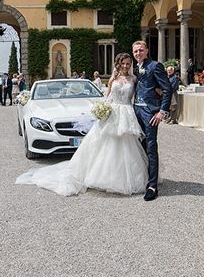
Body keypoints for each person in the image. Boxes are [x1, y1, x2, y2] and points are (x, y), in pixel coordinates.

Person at [16, 53, 149, 196]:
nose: (125, 66)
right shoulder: (113, 79)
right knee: (108, 145)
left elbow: (142, 93)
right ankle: (105, 176)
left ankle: (127, 177)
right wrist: (103, 110)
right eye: (123, 63)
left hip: (127, 114)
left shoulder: (134, 79)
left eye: (128, 64)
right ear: (118, 64)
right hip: (114, 114)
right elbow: (107, 98)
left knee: (127, 146)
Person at [133, 40, 172, 201]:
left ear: (147, 51)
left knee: (150, 147)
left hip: (150, 113)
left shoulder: (155, 66)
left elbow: (167, 88)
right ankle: (142, 179)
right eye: (135, 51)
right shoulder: (134, 68)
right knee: (137, 147)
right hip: (135, 111)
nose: (138, 53)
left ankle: (152, 186)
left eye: (141, 50)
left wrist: (162, 112)